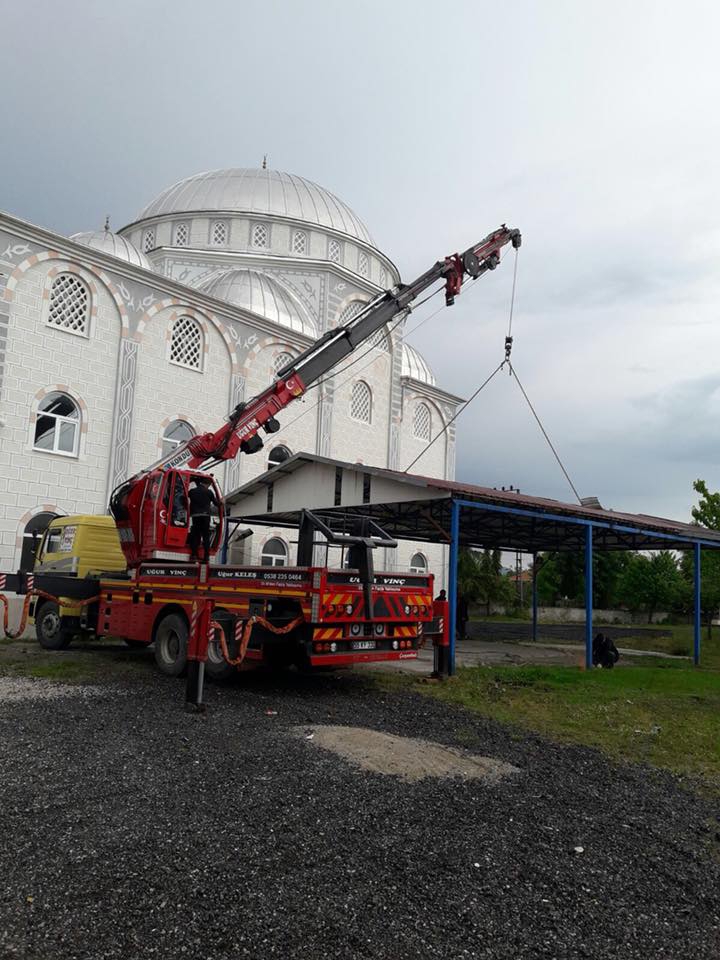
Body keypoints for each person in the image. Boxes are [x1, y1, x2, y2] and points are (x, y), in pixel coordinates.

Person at [188, 476, 219, 562]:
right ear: (208, 484)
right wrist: (222, 502)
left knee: (195, 535)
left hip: (195, 516)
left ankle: (194, 555)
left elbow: (184, 497)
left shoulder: (192, 491)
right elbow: (217, 504)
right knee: (205, 536)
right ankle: (206, 556)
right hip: (205, 517)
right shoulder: (209, 492)